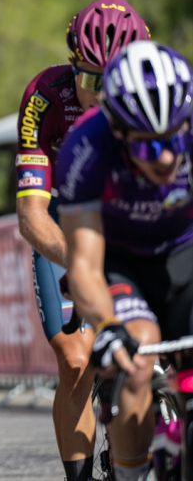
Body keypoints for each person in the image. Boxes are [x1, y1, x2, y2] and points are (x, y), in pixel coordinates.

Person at [14, 0, 149, 481]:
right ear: (72, 65)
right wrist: (83, 262)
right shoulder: (47, 95)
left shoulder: (164, 90)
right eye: (89, 78)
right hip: (64, 222)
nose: (100, 93)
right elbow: (32, 213)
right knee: (75, 360)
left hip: (132, 218)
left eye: (113, 79)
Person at [57, 40, 193, 481]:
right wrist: (108, 329)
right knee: (135, 357)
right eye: (150, 148)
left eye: (173, 140)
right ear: (118, 131)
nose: (168, 158)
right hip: (122, 261)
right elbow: (84, 265)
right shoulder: (86, 149)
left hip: (184, 253)